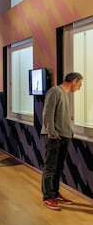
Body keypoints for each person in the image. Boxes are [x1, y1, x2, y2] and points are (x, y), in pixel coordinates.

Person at [41, 72, 83, 210]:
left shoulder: (64, 94)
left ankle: (54, 193)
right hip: (54, 137)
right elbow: (47, 113)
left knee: (58, 168)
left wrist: (69, 131)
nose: (80, 87)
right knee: (50, 168)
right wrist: (52, 133)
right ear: (74, 81)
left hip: (63, 136)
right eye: (80, 84)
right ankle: (48, 197)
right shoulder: (54, 91)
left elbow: (62, 117)